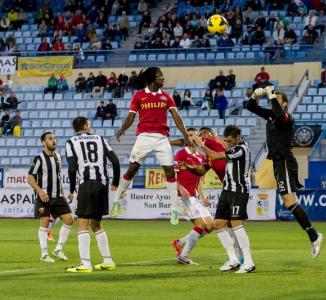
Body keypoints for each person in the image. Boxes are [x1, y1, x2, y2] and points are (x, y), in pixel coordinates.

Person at [246, 85, 323, 257]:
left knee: (289, 201)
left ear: (286, 104)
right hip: (278, 162)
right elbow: (249, 107)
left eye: (278, 99)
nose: (273, 100)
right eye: (273, 98)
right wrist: (254, 97)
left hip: (286, 162)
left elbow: (280, 116)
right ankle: (314, 235)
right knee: (290, 201)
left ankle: (314, 235)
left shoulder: (286, 117)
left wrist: (272, 95)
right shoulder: (271, 116)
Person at [114, 67, 193, 225]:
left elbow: (176, 117)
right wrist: (122, 129)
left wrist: (186, 135)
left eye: (162, 76)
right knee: (132, 169)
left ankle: (174, 209)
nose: (163, 79)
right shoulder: (139, 95)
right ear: (151, 79)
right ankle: (116, 200)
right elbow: (131, 116)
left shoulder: (166, 96)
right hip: (143, 137)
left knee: (170, 171)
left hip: (162, 138)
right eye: (159, 76)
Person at [193, 125, 256, 273]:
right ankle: (233, 260)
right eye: (226, 140)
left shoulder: (241, 149)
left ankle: (248, 262)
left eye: (230, 140)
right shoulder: (233, 146)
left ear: (237, 138)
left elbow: (216, 156)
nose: (227, 143)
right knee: (219, 224)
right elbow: (221, 150)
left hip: (239, 191)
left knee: (236, 224)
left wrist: (201, 144)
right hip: (227, 190)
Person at [65, 117, 120, 272]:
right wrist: (115, 181)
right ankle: (108, 261)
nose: (90, 126)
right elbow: (115, 161)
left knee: (82, 223)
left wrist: (72, 189)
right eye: (88, 123)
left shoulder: (71, 142)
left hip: (87, 183)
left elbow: (72, 167)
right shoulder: (100, 139)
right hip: (103, 184)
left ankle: (86, 264)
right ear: (84, 126)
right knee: (95, 224)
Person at [27, 132, 74, 263]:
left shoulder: (58, 157)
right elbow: (30, 177)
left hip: (57, 196)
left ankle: (58, 249)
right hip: (44, 197)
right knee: (45, 222)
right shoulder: (39, 158)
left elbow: (57, 178)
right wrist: (40, 191)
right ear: (44, 142)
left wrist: (63, 195)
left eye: (54, 138)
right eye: (50, 139)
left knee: (69, 220)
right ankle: (44, 254)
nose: (53, 141)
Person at [170, 128, 214, 265]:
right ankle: (183, 256)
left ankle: (180, 242)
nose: (190, 138)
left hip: (194, 197)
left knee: (210, 226)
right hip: (182, 197)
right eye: (187, 136)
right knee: (201, 224)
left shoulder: (201, 157)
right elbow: (171, 174)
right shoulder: (180, 154)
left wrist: (203, 196)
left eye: (192, 135)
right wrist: (179, 187)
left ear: (197, 137)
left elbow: (198, 180)